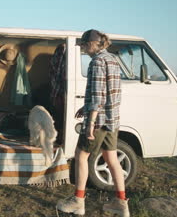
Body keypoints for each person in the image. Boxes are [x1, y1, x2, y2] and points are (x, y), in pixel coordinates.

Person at [56, 29, 129, 216]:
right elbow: (108, 91)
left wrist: (90, 123)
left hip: (98, 121)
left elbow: (98, 95)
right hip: (112, 120)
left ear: (92, 43)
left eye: (83, 45)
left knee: (81, 156)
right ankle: (121, 204)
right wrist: (85, 106)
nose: (83, 49)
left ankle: (78, 202)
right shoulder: (112, 59)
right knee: (112, 159)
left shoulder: (96, 62)